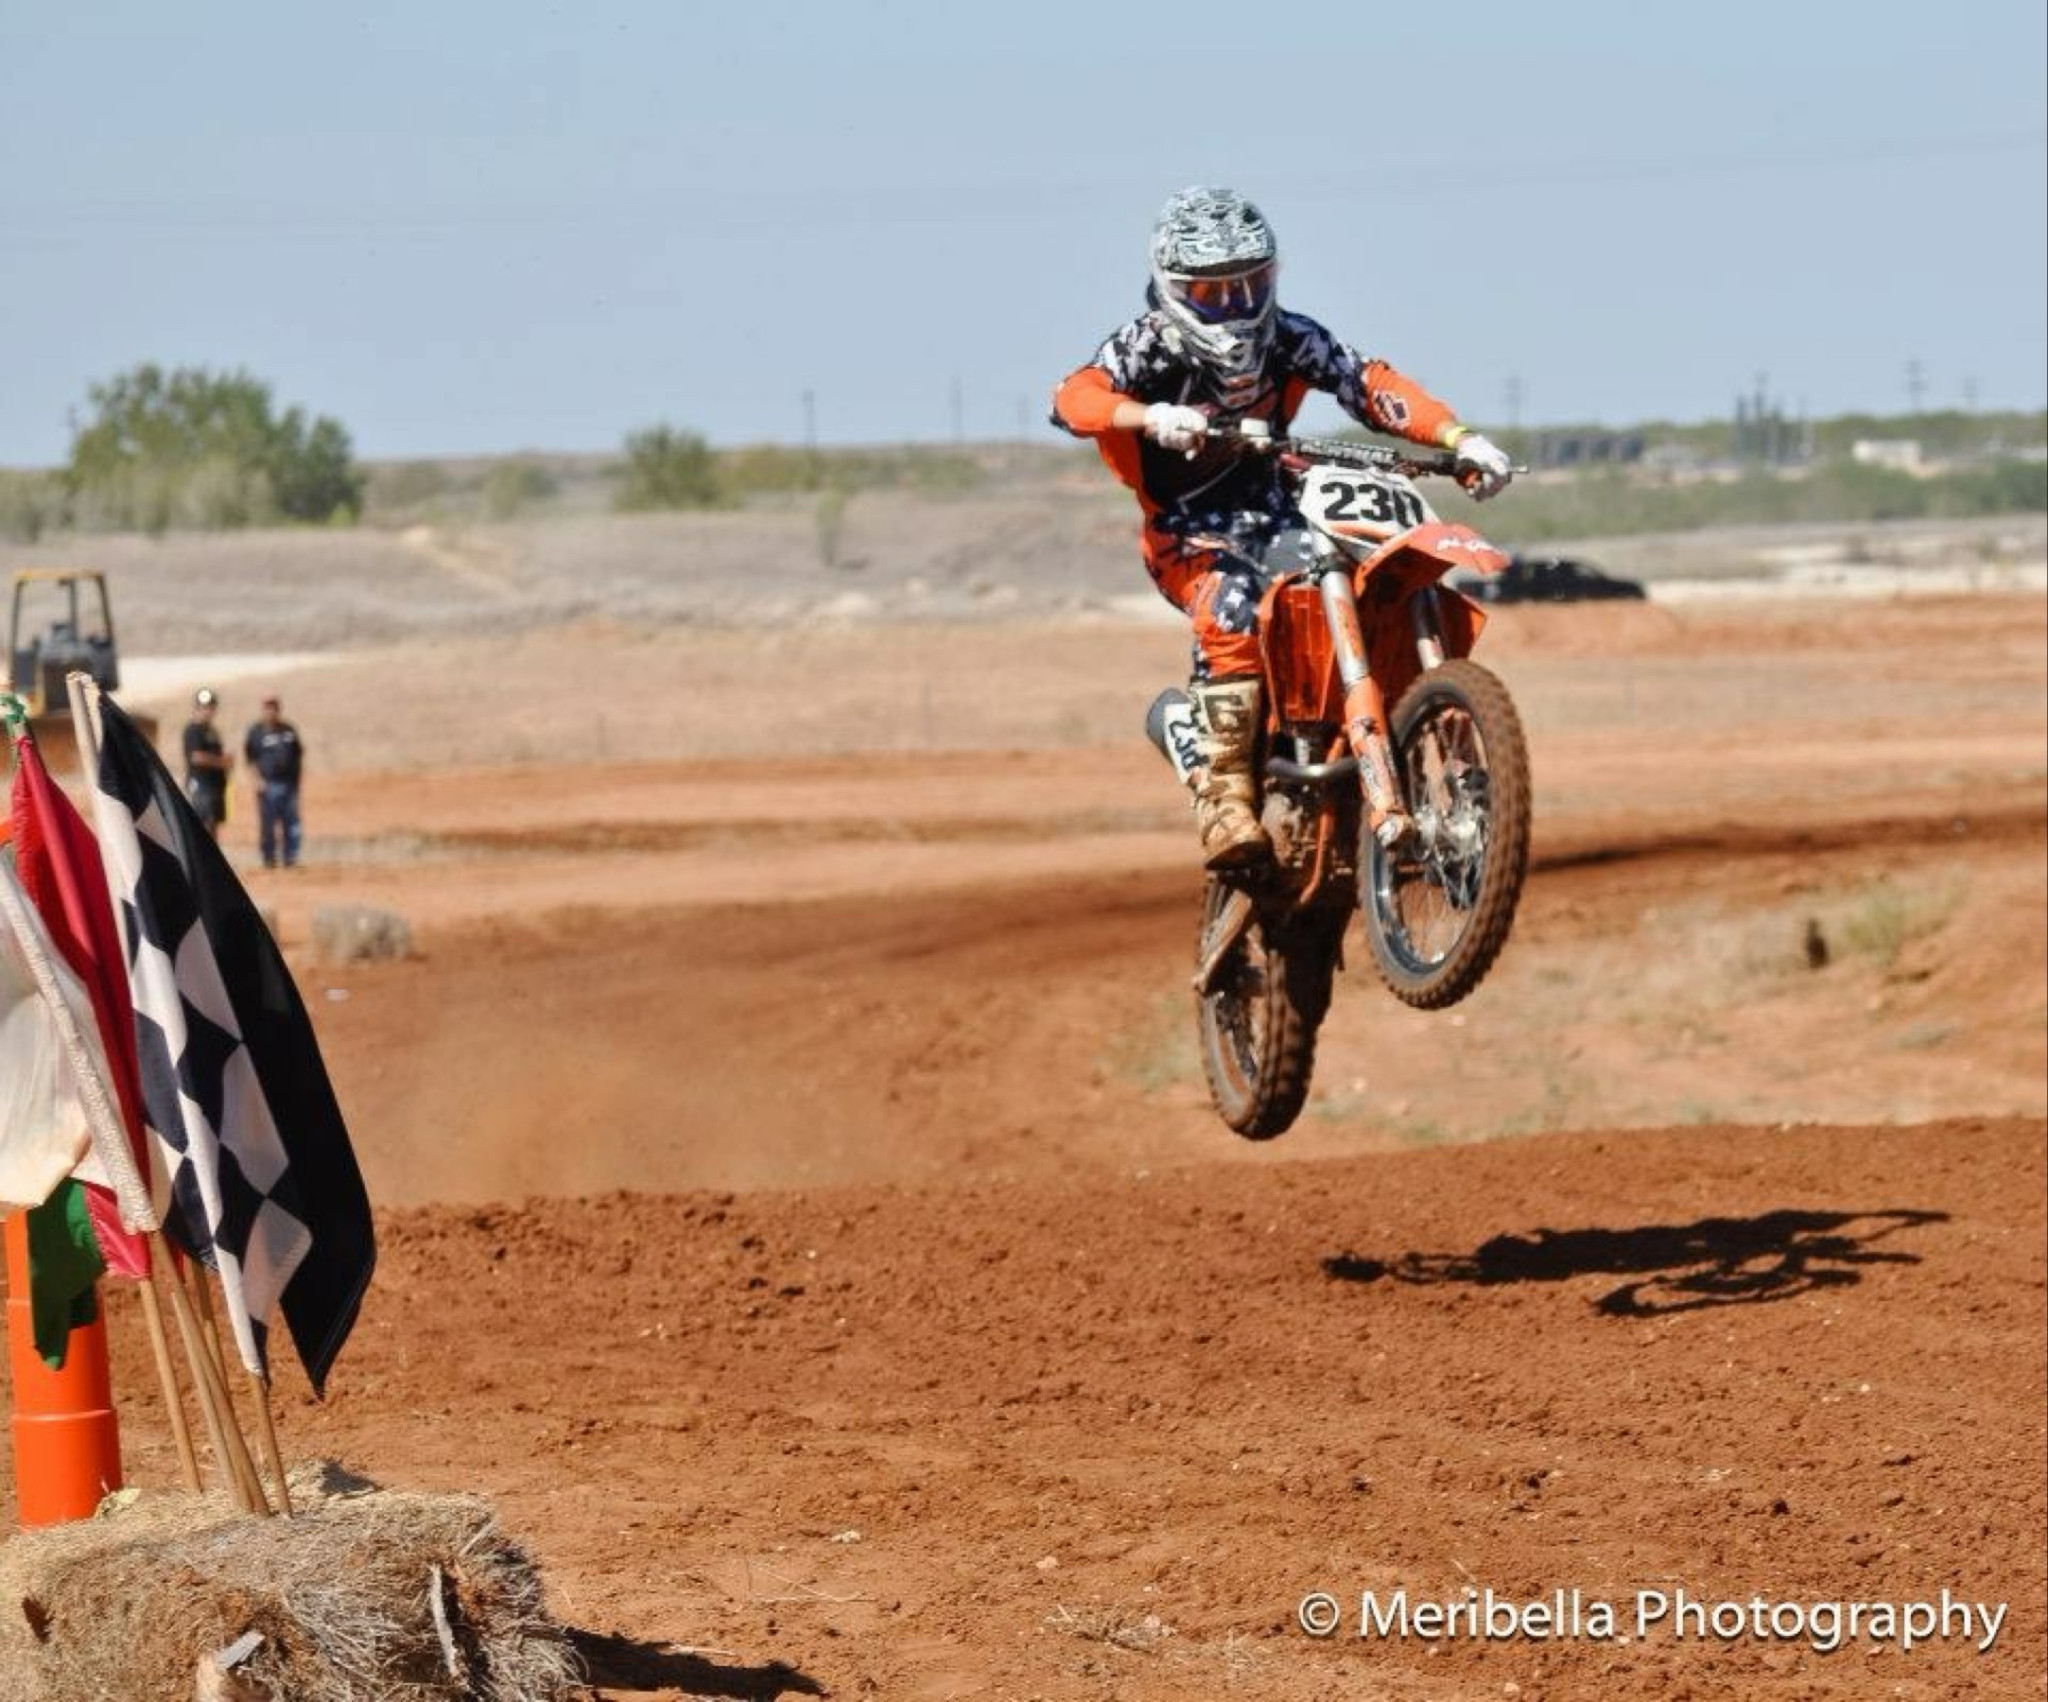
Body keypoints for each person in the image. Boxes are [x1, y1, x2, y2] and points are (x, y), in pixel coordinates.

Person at [1050, 186, 1516, 868]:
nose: (1236, 304)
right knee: (1235, 607)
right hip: (1188, 530)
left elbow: (1367, 382)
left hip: (1279, 509)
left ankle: (1420, 737)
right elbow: (1074, 398)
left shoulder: (1291, 337)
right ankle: (1224, 802)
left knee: (1379, 569)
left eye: (1250, 284)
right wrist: (1147, 416)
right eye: (1212, 293)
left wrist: (1458, 438)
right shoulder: (1146, 346)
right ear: (1173, 289)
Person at [244, 693, 305, 869]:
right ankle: (268, 858)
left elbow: (298, 755)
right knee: (268, 824)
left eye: (274, 708)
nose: (271, 712)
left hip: (289, 784)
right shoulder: (256, 732)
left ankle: (290, 857)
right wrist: (256, 780)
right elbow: (250, 759)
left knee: (291, 823)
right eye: (268, 708)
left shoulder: (288, 730)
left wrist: (297, 780)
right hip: (268, 784)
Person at [180, 687, 233, 839]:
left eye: (210, 707)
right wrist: (222, 762)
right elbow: (196, 757)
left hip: (215, 785)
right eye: (203, 707)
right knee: (203, 825)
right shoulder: (193, 730)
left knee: (213, 824)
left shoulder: (212, 732)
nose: (207, 711)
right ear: (197, 708)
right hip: (201, 786)